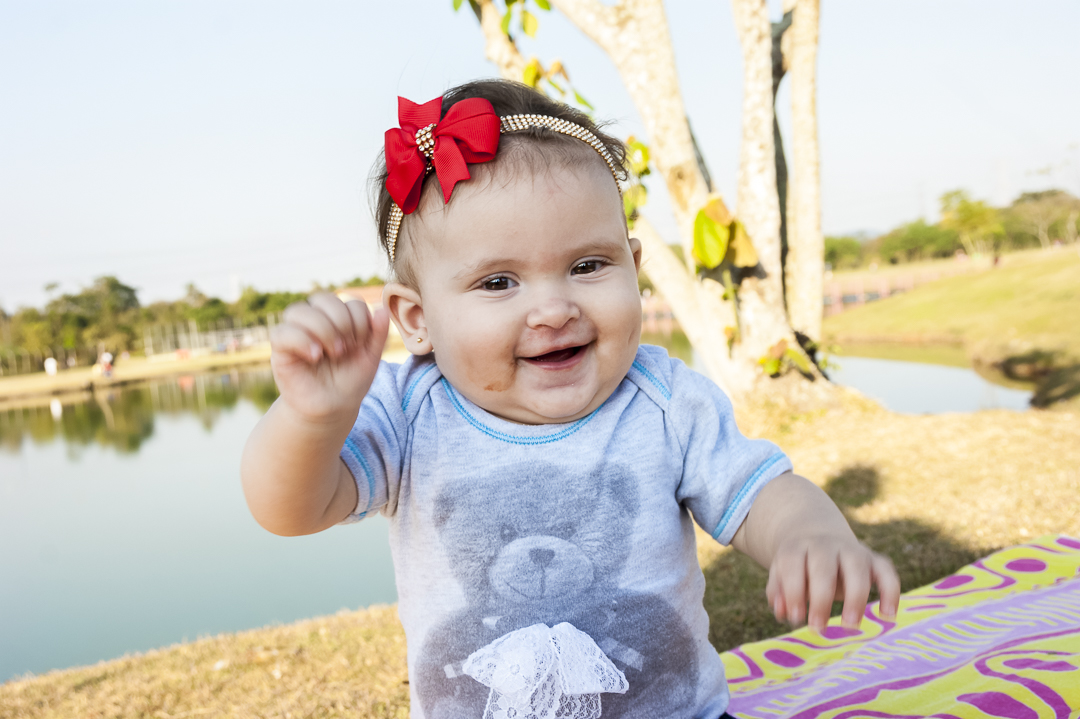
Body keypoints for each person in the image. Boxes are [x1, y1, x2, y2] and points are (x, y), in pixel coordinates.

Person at [241, 80, 899, 719]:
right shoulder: (411, 410)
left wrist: (808, 532)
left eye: (588, 265)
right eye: (499, 281)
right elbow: (290, 508)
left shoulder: (663, 399)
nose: (554, 308)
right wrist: (313, 417)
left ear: (633, 267)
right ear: (417, 319)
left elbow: (760, 493)